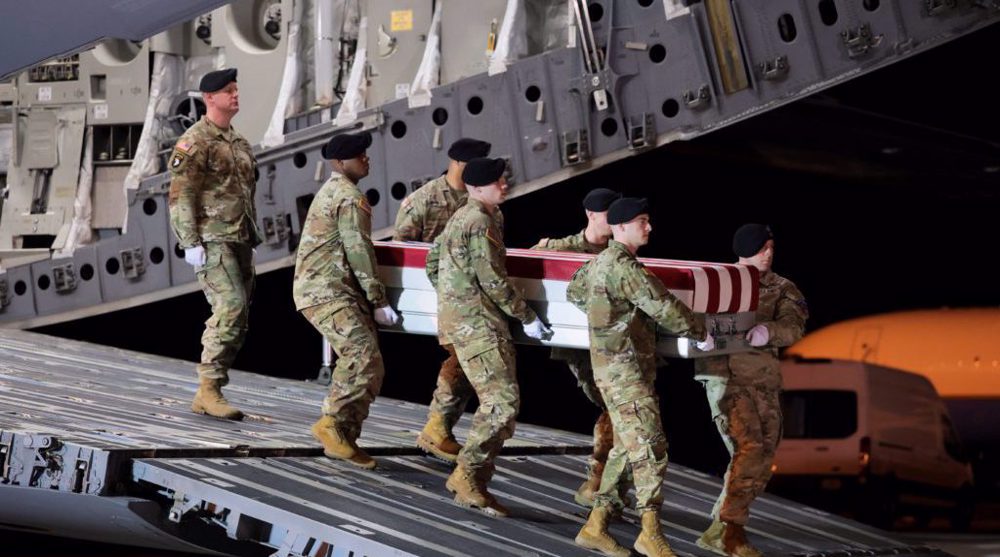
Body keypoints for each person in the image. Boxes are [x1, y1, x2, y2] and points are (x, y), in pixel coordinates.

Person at [569, 197, 713, 557]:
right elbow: (663, 306)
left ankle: (596, 526)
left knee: (625, 447)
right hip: (627, 373)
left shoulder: (597, 264)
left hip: (611, 370)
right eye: (642, 221)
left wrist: (612, 322)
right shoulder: (626, 268)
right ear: (620, 227)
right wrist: (700, 331)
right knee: (650, 448)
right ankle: (650, 533)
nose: (648, 227)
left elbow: (574, 292)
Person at [426, 157, 551, 517]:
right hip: (479, 325)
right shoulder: (480, 221)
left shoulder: (463, 217)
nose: (505, 185)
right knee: (502, 404)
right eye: (498, 181)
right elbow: (494, 279)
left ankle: (470, 475)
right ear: (477, 187)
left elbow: (433, 263)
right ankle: (468, 476)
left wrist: (454, 297)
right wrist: (526, 316)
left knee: (494, 399)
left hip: (463, 321)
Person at [694, 224, 808, 557]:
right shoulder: (718, 281)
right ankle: (731, 530)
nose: (768, 253)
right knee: (750, 448)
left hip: (764, 381)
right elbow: (691, 313)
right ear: (744, 250)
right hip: (726, 377)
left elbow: (794, 326)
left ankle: (720, 527)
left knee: (762, 456)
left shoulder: (782, 287)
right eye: (761, 248)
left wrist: (768, 331)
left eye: (771, 247)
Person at [293, 131, 401, 470]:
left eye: (365, 152)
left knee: (371, 363)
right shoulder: (350, 197)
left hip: (330, 289)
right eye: (358, 154)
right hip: (325, 291)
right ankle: (331, 425)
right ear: (340, 163)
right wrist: (379, 301)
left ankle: (345, 435)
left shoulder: (335, 191)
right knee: (362, 355)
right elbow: (359, 252)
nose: (365, 158)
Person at [168, 68, 261, 421]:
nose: (235, 95)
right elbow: (180, 195)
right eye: (228, 91)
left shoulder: (239, 143)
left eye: (236, 89)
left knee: (239, 317)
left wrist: (251, 236)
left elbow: (246, 194)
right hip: (212, 240)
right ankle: (209, 389)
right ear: (210, 98)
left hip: (239, 238)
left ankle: (210, 390)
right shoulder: (195, 142)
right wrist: (189, 242)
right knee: (230, 306)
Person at [392, 138, 492, 462]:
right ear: (459, 164)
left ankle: (440, 428)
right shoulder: (425, 199)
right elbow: (402, 250)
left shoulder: (481, 200)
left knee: (465, 360)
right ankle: (437, 428)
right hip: (437, 297)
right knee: (464, 357)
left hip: (468, 299)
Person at [531, 187, 624, 506]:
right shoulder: (564, 248)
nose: (615, 218)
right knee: (614, 405)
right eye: (609, 212)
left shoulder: (621, 250)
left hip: (616, 344)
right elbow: (526, 269)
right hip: (583, 346)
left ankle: (602, 483)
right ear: (591, 215)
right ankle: (598, 482)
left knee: (617, 408)